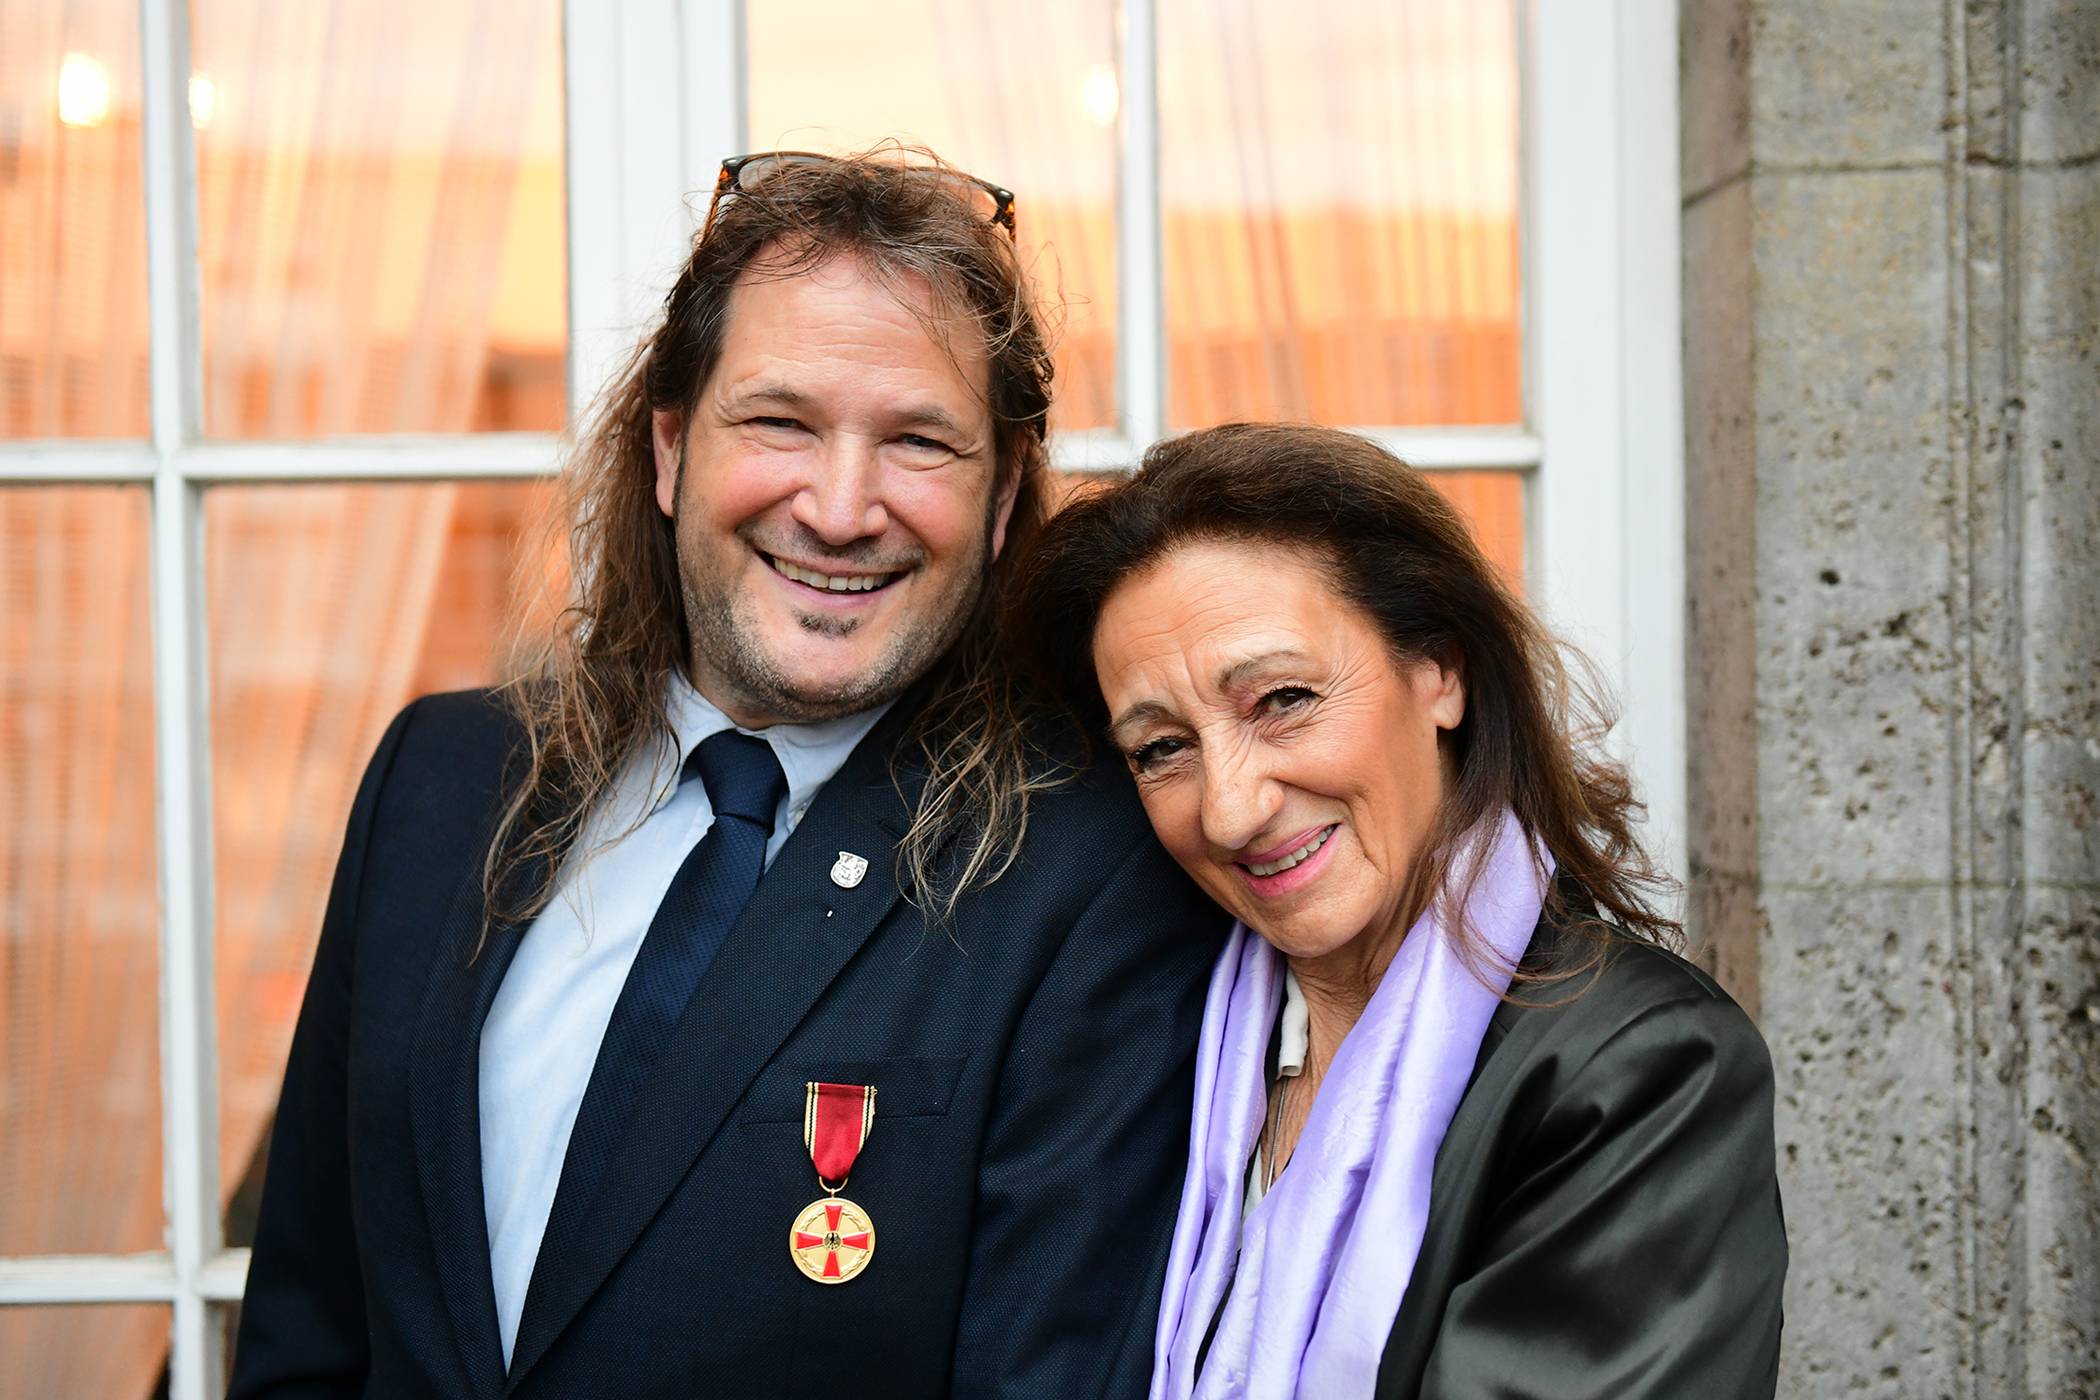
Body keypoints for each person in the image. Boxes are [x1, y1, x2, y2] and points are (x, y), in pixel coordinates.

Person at [228, 151, 1220, 1399]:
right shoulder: (442, 777)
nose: (842, 504)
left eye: (919, 440)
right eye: (780, 421)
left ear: (1008, 496)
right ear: (669, 447)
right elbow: (308, 1329)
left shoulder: (1088, 874)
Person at [1013, 422, 1788, 1398]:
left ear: (1441, 672)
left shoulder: (1637, 1072)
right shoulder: (1156, 1049)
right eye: (1162, 747)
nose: (1231, 805)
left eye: (1283, 697)